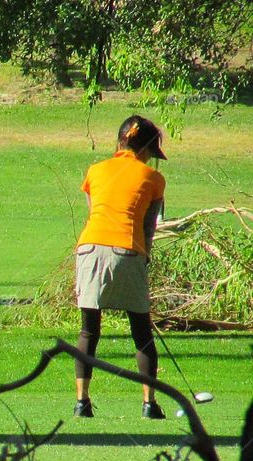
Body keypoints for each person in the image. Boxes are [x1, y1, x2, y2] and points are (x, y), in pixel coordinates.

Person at [73, 115, 168, 419]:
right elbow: (148, 228)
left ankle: (81, 403)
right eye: (152, 154)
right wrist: (144, 259)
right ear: (144, 150)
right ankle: (149, 404)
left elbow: (94, 214)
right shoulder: (153, 179)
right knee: (141, 330)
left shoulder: (95, 171)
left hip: (88, 249)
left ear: (120, 143)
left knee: (89, 330)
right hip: (128, 250)